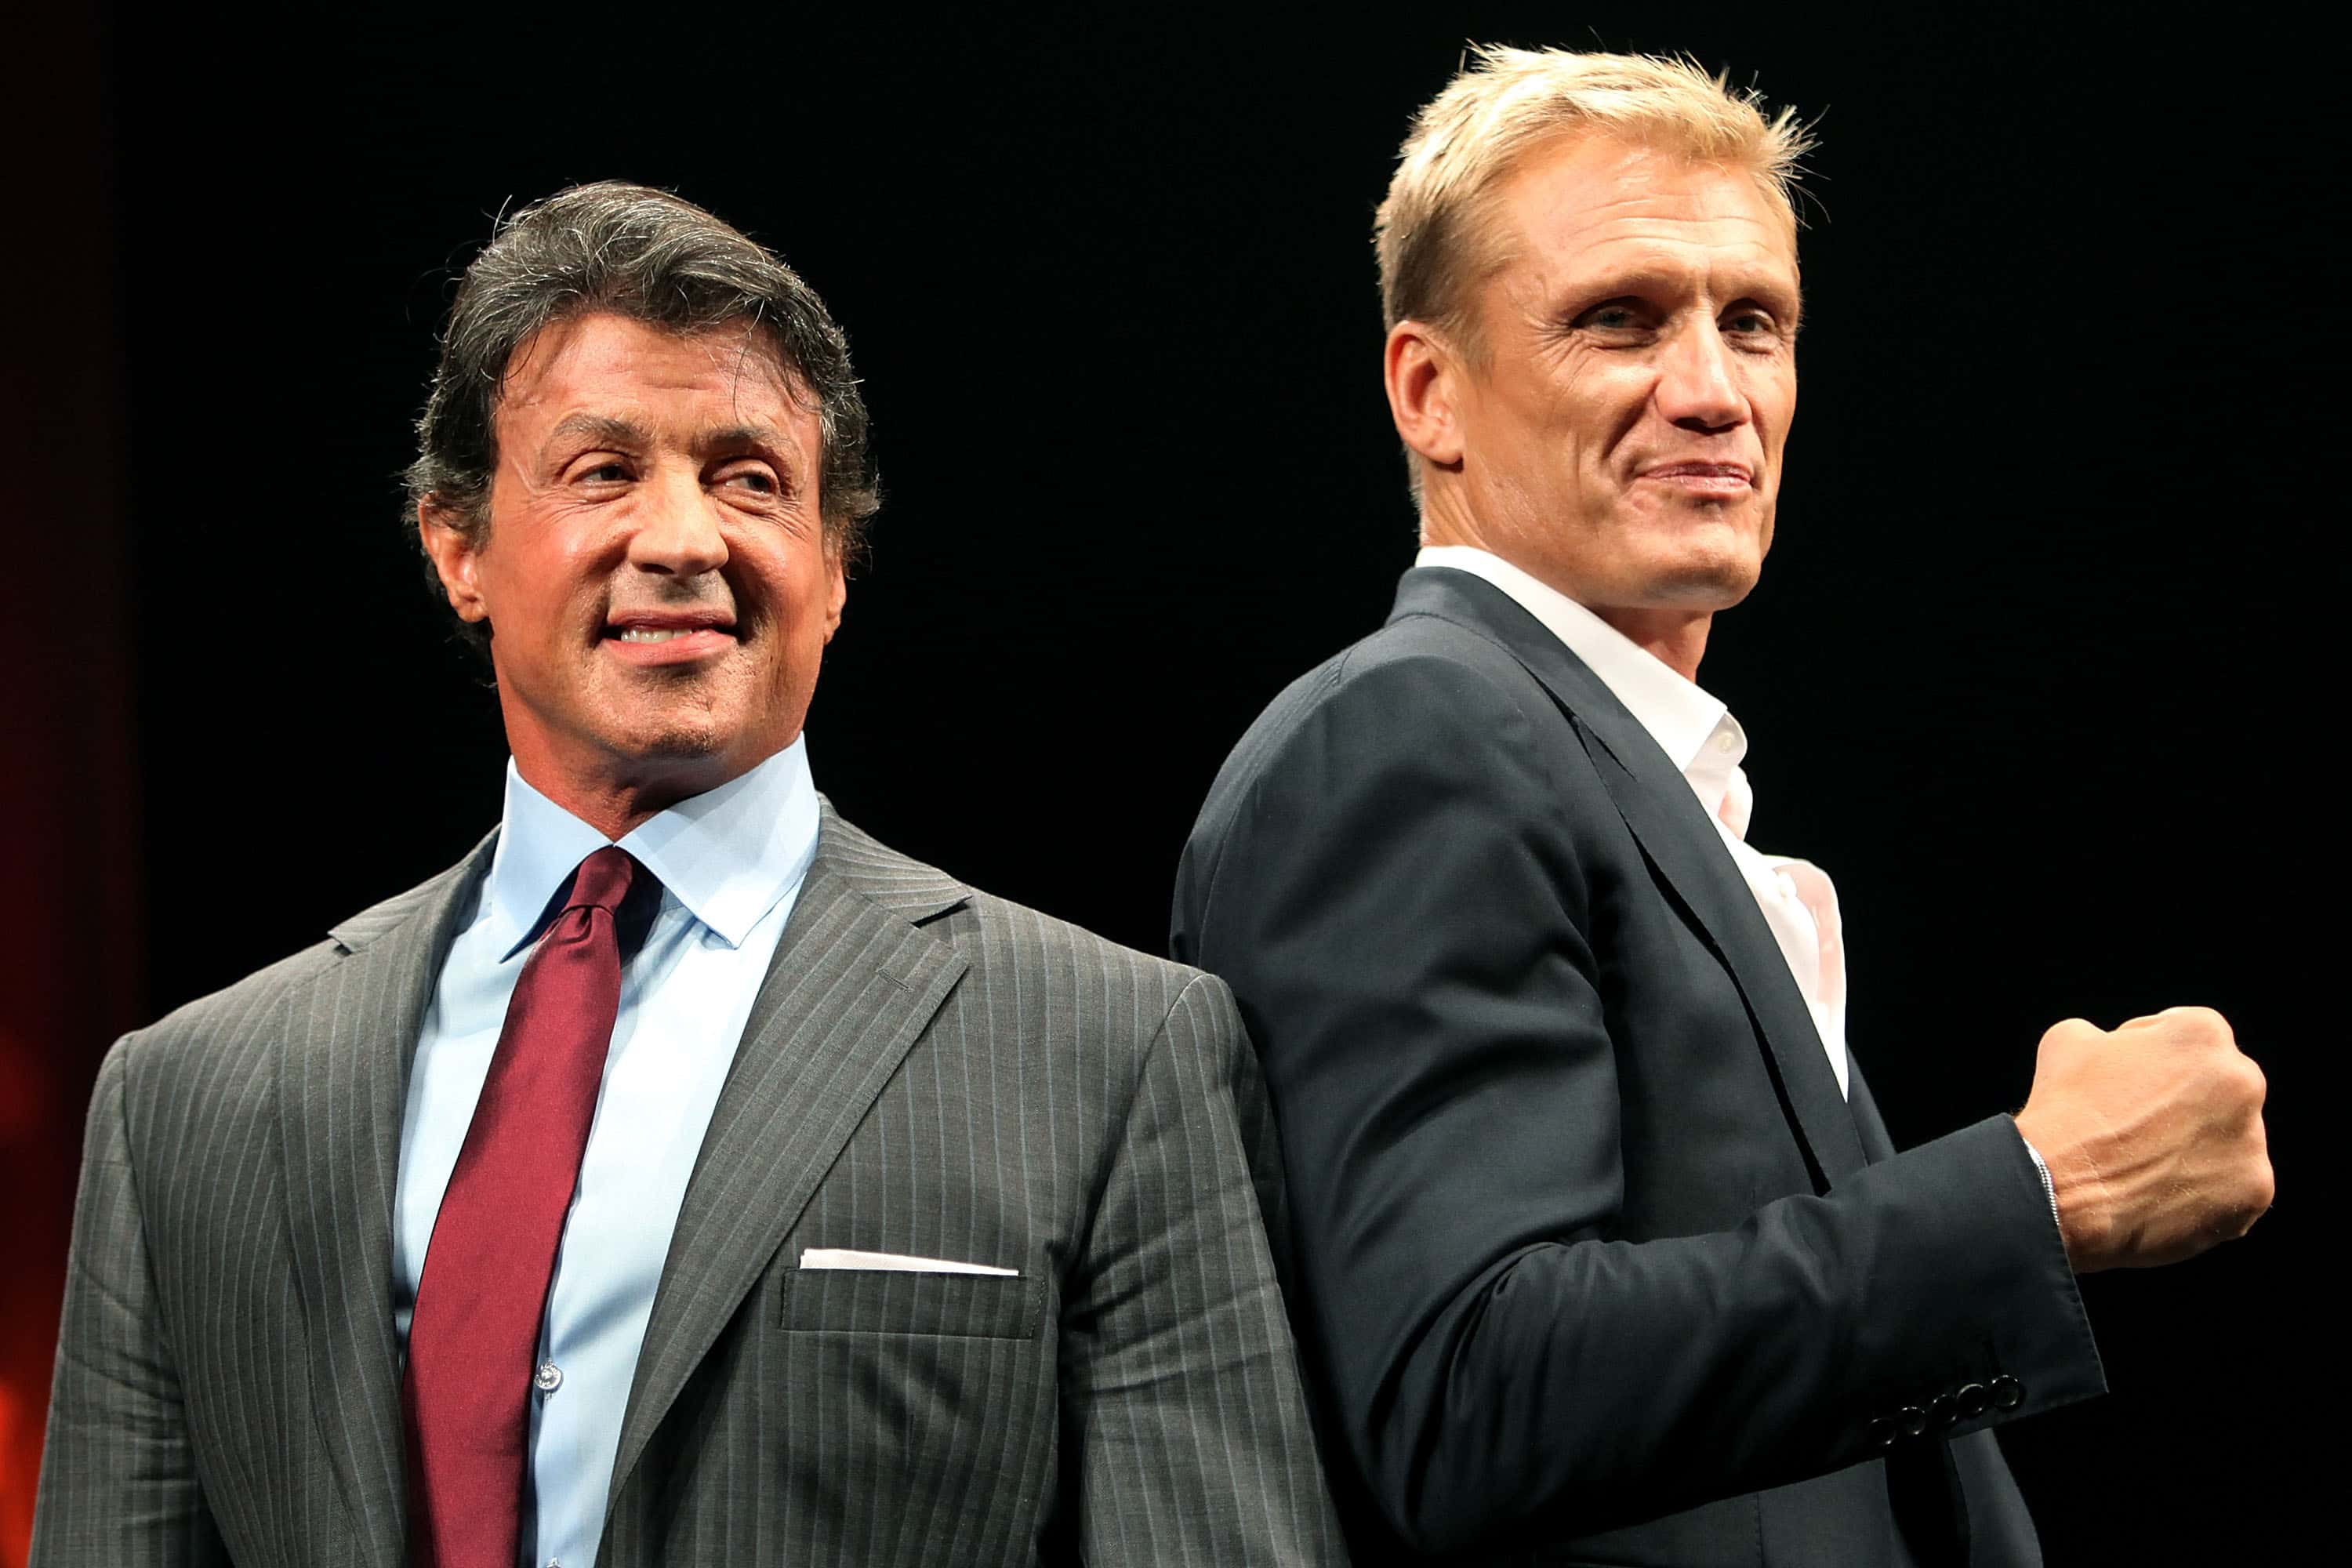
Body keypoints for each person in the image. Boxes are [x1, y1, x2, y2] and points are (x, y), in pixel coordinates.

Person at [33, 182, 1344, 1567]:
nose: (684, 537)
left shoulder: (1112, 1055)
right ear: (457, 546)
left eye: (750, 478)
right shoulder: (185, 1100)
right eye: (604, 470)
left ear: (835, 566)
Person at [1172, 47, 2273, 1566]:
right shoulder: (1413, 732)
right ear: (1430, 392)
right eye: (1620, 318)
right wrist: (2038, 1187)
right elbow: (1466, 1388)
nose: (1712, 390)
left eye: (1754, 321)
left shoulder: (1629, 778)